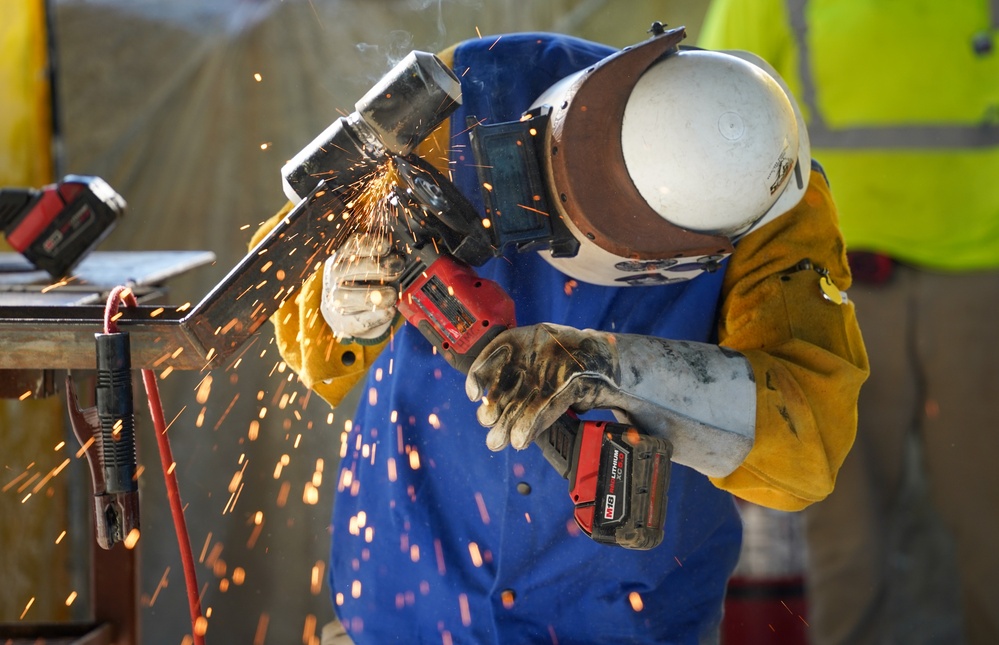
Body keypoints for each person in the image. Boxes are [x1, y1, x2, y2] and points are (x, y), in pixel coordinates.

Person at [252, 24, 868, 643]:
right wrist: (329, 301)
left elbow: (808, 441)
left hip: (622, 620)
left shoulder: (770, 195)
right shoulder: (464, 90)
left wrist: (611, 370)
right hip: (405, 605)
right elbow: (279, 269)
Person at [699, 2, 999, 644]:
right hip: (829, 291)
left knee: (990, 528)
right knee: (842, 541)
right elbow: (710, 109)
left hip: (979, 283)